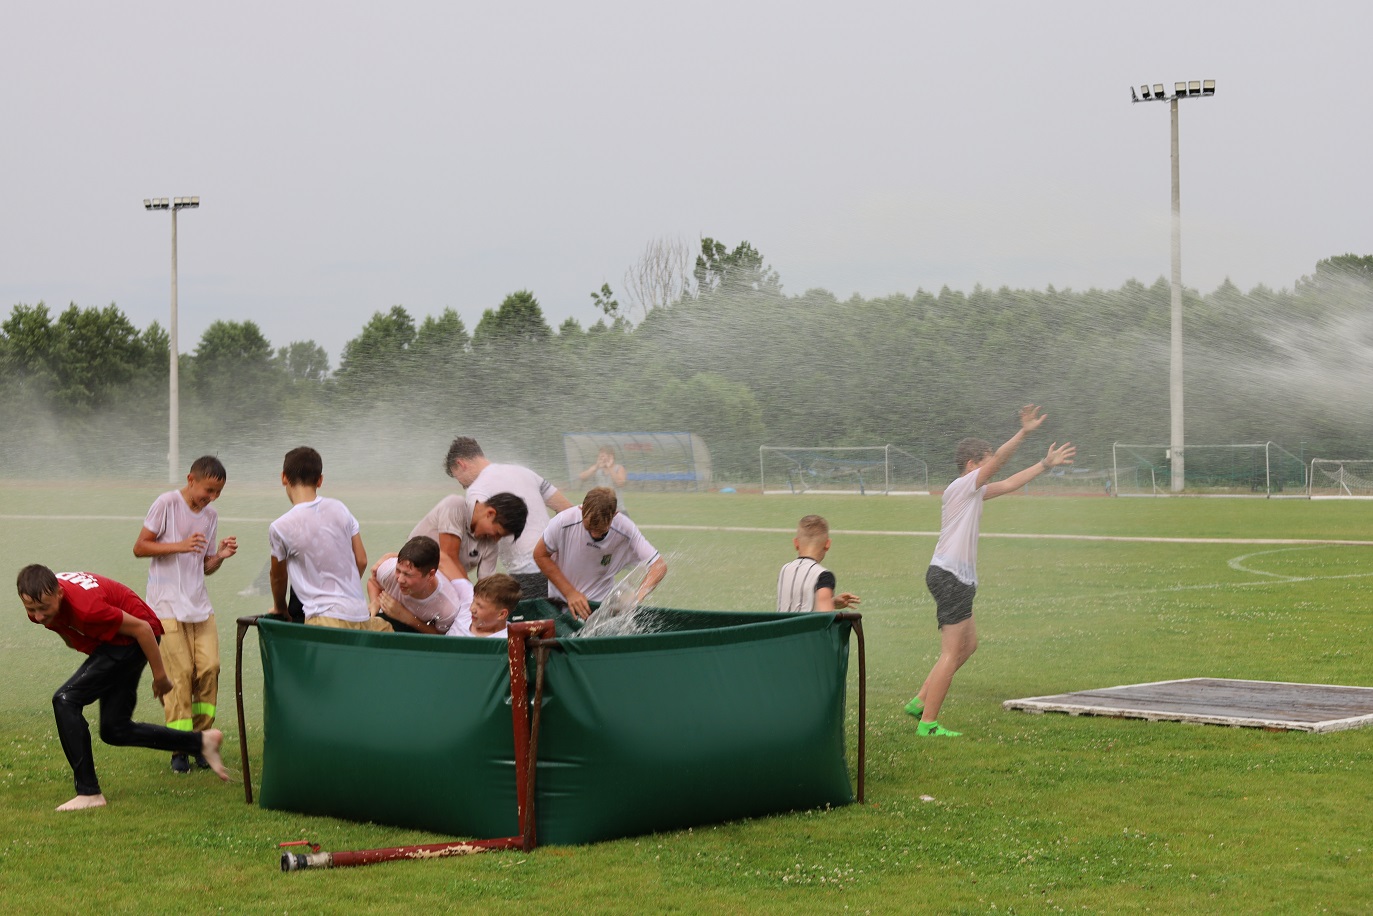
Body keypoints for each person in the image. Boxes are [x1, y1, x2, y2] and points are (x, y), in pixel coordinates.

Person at [906, 404, 1075, 737]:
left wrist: (1044, 464)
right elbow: (1000, 462)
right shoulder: (961, 486)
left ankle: (919, 701)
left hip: (957, 579)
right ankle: (928, 724)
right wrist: (1024, 432)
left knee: (968, 646)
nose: (991, 469)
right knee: (951, 652)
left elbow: (1009, 482)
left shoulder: (973, 491)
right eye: (985, 463)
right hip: (950, 577)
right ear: (972, 465)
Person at [17, 565, 230, 811]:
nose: (38, 616)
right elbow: (65, 629)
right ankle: (201, 742)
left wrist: (160, 677)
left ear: (60, 594)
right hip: (113, 641)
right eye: (31, 609)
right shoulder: (43, 600)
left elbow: (144, 629)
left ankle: (89, 793)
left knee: (65, 700)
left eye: (43, 608)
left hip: (135, 638)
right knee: (114, 729)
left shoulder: (88, 608)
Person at [132, 455, 238, 774]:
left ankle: (202, 741)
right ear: (191, 479)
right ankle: (179, 747)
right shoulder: (166, 503)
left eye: (218, 492)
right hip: (165, 607)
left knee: (209, 669)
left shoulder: (210, 515)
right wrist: (179, 545)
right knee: (178, 678)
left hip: (199, 607)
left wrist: (220, 556)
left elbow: (204, 565)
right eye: (208, 490)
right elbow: (140, 547)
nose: (212, 497)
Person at [267, 446, 388, 631]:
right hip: (359, 613)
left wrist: (280, 607)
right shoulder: (340, 508)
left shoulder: (280, 527)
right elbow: (361, 560)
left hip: (324, 620)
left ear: (284, 477)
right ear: (320, 480)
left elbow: (278, 576)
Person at [445, 437, 573, 599]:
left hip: (527, 573)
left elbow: (478, 539)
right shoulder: (524, 472)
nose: (462, 485)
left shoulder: (477, 490)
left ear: (461, 464)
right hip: (560, 569)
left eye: (458, 478)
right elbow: (567, 510)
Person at [534, 487, 667, 620]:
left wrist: (637, 598)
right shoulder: (563, 522)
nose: (594, 535)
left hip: (599, 610)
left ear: (615, 514)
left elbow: (659, 566)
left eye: (601, 530)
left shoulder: (626, 529)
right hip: (560, 605)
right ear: (581, 509)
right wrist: (570, 593)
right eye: (589, 527)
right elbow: (540, 555)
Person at [408, 492, 527, 583]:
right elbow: (447, 558)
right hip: (408, 578)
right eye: (498, 533)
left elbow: (486, 585)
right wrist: (469, 594)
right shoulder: (455, 506)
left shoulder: (491, 544)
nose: (496, 539)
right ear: (490, 513)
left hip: (439, 587)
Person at [366, 535, 473, 635]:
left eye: (408, 575)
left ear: (430, 575)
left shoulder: (447, 607)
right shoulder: (388, 570)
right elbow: (373, 583)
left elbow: (439, 635)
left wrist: (407, 617)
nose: (400, 580)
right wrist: (375, 601)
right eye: (398, 570)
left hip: (417, 631)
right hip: (387, 619)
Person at [776, 514, 860, 613]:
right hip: (808, 624)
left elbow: (798, 605)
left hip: (781, 624)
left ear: (796, 543)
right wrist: (828, 604)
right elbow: (825, 617)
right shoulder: (823, 576)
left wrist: (830, 602)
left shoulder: (785, 569)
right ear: (827, 544)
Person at [468, 573, 521, 638]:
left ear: (501, 614)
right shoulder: (463, 615)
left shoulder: (507, 640)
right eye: (473, 601)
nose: (471, 609)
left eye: (480, 606)